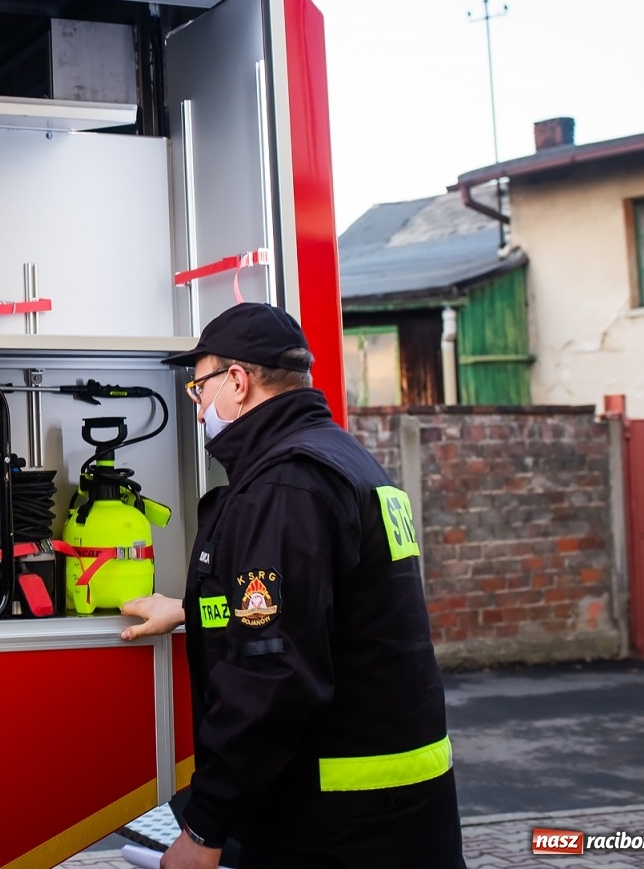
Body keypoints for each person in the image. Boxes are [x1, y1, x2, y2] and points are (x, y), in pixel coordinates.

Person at [121, 303, 464, 869]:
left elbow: (273, 675)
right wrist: (189, 608)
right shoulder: (342, 459)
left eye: (198, 387)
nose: (199, 404)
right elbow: (329, 607)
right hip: (398, 808)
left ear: (237, 381)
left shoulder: (285, 485)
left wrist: (204, 830)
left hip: (334, 822)